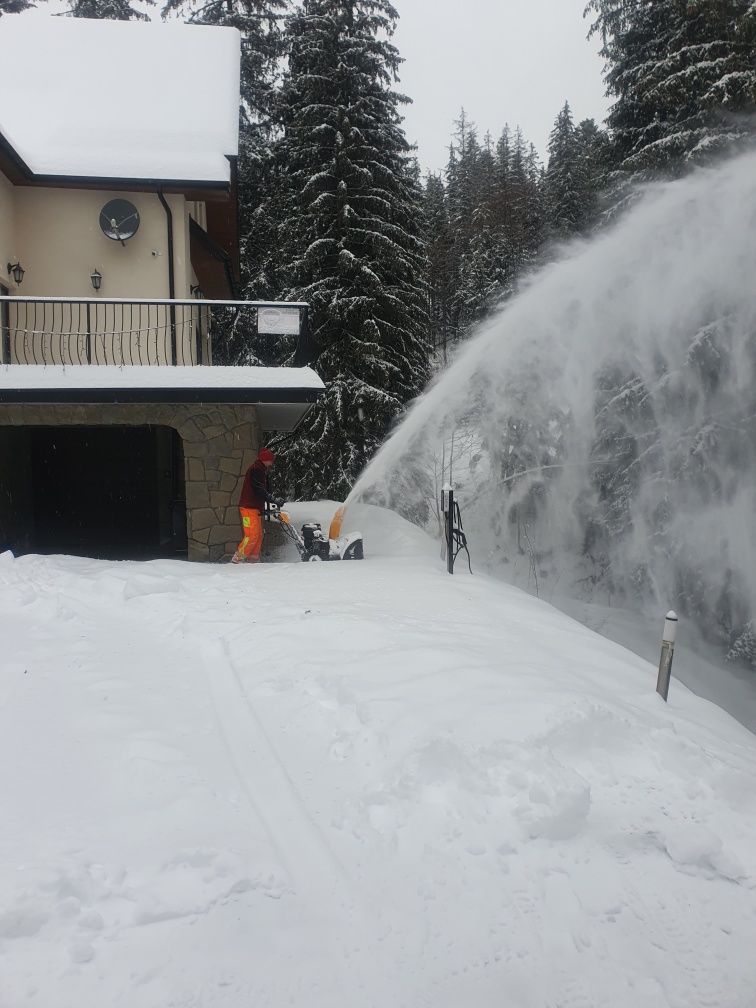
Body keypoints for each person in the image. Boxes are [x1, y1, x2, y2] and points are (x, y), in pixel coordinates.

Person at [231, 447, 282, 564]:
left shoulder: (261, 470)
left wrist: (272, 499)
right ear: (266, 460)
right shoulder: (256, 470)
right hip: (248, 507)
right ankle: (237, 559)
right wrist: (273, 499)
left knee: (258, 535)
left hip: (254, 508)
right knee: (251, 535)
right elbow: (259, 490)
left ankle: (253, 559)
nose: (272, 462)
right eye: (271, 460)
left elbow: (265, 490)